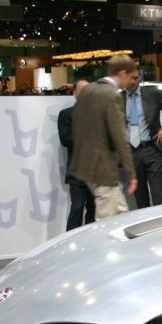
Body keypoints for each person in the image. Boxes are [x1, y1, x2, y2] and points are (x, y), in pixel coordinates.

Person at [69, 55, 138, 221]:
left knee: (120, 212)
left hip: (84, 163)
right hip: (102, 167)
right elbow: (120, 138)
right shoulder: (111, 95)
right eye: (130, 77)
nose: (131, 82)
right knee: (105, 220)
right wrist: (131, 174)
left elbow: (76, 125)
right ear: (122, 73)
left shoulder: (89, 90)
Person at [122, 69, 162, 208]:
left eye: (136, 78)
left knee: (159, 196)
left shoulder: (152, 94)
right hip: (131, 153)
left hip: (152, 149)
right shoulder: (117, 99)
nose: (133, 81)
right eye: (130, 78)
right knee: (140, 198)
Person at [57, 79, 95, 230]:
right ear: (75, 93)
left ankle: (92, 241)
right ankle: (71, 241)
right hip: (77, 170)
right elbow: (65, 139)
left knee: (94, 210)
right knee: (77, 208)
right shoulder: (66, 115)